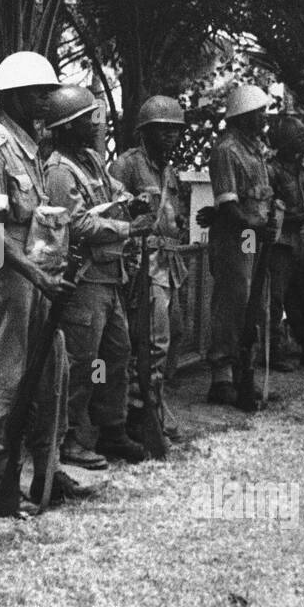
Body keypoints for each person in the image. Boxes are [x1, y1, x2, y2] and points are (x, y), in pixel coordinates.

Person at [0, 51, 76, 516]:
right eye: (39, 92)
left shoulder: (30, 149)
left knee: (52, 373)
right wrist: (33, 276)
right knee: (4, 378)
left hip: (37, 277)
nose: (48, 100)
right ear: (14, 97)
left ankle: (45, 473)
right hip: (8, 279)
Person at [43, 85, 154, 467]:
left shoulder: (89, 160)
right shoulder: (59, 169)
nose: (95, 125)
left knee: (113, 355)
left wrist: (132, 200)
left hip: (109, 277)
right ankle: (71, 435)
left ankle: (111, 427)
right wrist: (127, 229)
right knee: (82, 360)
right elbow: (74, 224)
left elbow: (112, 190)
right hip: (85, 281)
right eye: (87, 119)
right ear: (68, 125)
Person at [109, 95, 189, 441]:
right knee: (149, 344)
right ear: (146, 132)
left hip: (169, 265)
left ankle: (154, 402)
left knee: (175, 335)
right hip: (142, 267)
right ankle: (140, 414)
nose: (171, 137)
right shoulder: (126, 166)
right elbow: (111, 215)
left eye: (175, 131)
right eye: (163, 130)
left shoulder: (168, 170)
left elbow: (173, 214)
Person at [200, 83, 273, 407]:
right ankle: (221, 378)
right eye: (259, 114)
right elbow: (228, 206)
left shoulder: (254, 148)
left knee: (253, 304)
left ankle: (245, 372)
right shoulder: (227, 149)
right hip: (236, 237)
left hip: (255, 237)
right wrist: (257, 226)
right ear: (243, 116)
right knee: (233, 302)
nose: (264, 119)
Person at [266, 114, 304, 372]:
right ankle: (271, 353)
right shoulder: (272, 170)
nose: (303, 144)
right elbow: (269, 211)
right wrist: (299, 218)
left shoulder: (302, 171)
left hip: (302, 242)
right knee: (275, 299)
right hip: (281, 244)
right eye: (299, 139)